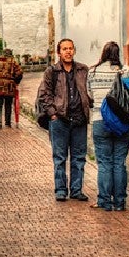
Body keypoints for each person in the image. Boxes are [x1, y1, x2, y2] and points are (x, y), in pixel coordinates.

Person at [36, 38, 92, 201]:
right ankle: (60, 189)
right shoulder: (52, 71)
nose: (68, 52)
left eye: (70, 49)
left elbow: (89, 90)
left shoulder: (83, 69)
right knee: (60, 157)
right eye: (65, 49)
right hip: (60, 120)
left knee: (79, 157)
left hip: (79, 120)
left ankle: (76, 190)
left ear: (74, 50)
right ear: (59, 52)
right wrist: (53, 114)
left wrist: (87, 105)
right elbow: (44, 94)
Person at [87, 41, 129, 210]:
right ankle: (120, 202)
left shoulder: (92, 72)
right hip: (121, 122)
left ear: (103, 53)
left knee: (104, 163)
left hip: (100, 120)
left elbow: (90, 95)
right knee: (119, 162)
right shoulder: (125, 71)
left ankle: (104, 201)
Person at [0, 48, 23, 129]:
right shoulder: (13, 62)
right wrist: (16, 81)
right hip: (9, 85)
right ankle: (7, 122)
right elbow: (19, 73)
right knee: (8, 104)